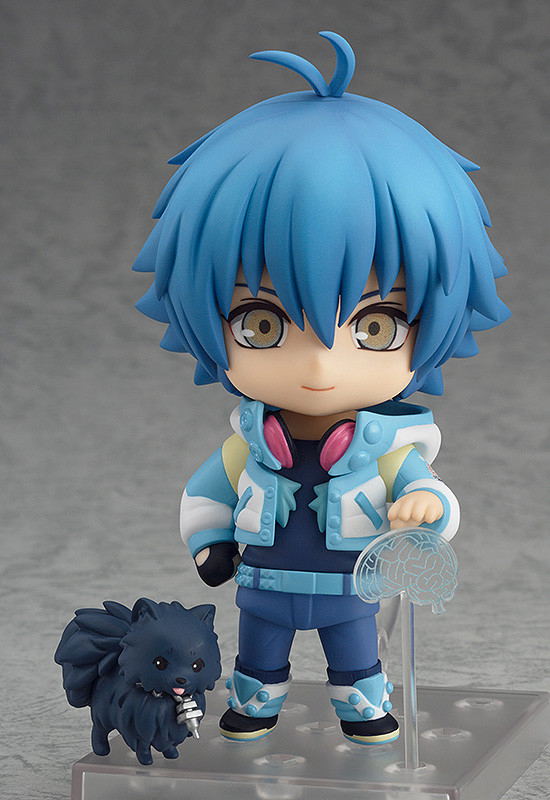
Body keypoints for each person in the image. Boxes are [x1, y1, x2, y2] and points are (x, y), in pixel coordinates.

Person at [133, 32, 509, 745]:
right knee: (258, 660)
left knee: (356, 660)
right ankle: (255, 705)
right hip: (263, 589)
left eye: (375, 326)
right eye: (263, 323)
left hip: (349, 591)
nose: (320, 365)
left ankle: (363, 708)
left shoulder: (387, 447)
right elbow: (205, 493)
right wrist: (211, 543)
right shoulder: (249, 443)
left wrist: (426, 508)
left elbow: (432, 500)